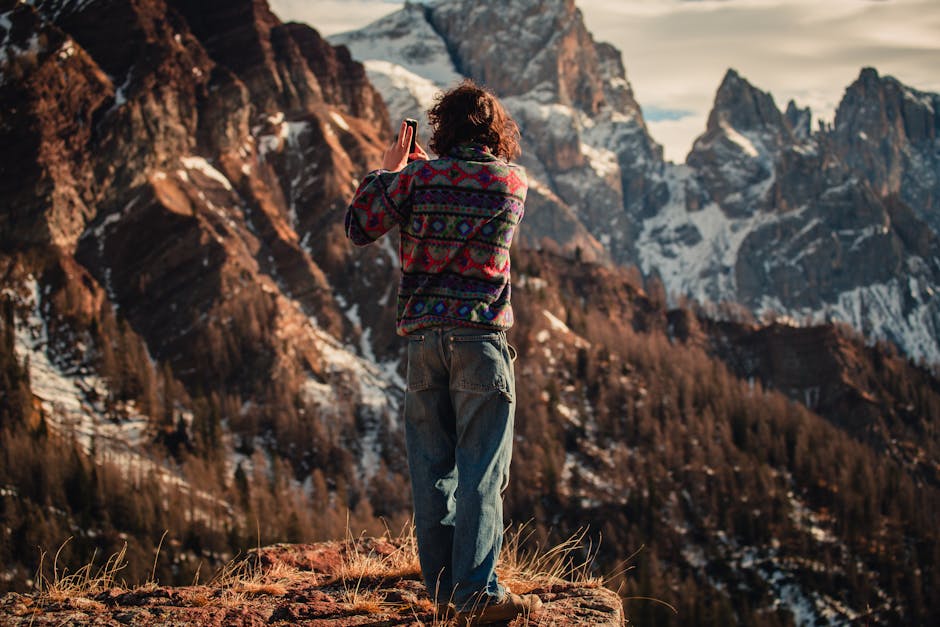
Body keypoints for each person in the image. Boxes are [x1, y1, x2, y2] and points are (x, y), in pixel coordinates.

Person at [345, 80, 541, 624]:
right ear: (495, 131)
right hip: (481, 344)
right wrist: (427, 175)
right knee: (481, 473)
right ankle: (476, 596)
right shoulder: (513, 183)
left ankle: (442, 594)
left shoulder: (415, 180)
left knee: (433, 471)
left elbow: (358, 226)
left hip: (425, 344)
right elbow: (466, 190)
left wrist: (392, 171)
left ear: (441, 128)